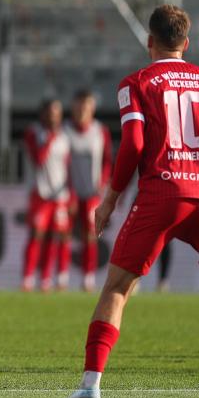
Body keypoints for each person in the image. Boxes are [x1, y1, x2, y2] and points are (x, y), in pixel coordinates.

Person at [55, 5, 199, 398]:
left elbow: (134, 145)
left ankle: (90, 386)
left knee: (117, 288)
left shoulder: (137, 82)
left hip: (164, 192)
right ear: (186, 44)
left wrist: (110, 200)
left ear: (149, 40)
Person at [64, 91, 112, 292]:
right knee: (64, 234)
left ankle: (88, 278)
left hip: (92, 191)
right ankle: (61, 276)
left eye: (86, 106)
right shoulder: (65, 130)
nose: (82, 110)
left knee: (91, 235)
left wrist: (103, 182)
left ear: (92, 108)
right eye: (79, 106)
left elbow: (107, 160)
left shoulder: (100, 131)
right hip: (68, 192)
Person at [21, 99, 71, 292]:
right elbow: (38, 158)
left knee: (55, 236)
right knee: (36, 235)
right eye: (51, 112)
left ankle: (46, 279)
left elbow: (66, 166)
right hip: (40, 193)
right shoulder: (34, 132)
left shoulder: (64, 136)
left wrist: (70, 194)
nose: (54, 117)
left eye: (57, 113)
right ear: (43, 114)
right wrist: (50, 138)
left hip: (60, 195)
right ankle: (27, 277)